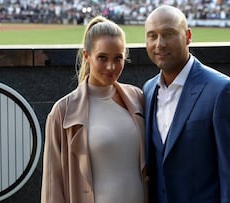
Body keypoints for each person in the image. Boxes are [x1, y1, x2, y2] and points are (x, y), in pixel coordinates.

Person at [142, 5, 230, 203]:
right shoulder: (148, 90)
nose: (160, 44)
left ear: (188, 36)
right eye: (152, 36)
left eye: (169, 34)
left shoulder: (222, 91)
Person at [41, 15, 148, 203]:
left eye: (118, 58)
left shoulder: (138, 98)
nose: (111, 66)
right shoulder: (62, 112)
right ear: (86, 56)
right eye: (102, 58)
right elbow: (52, 186)